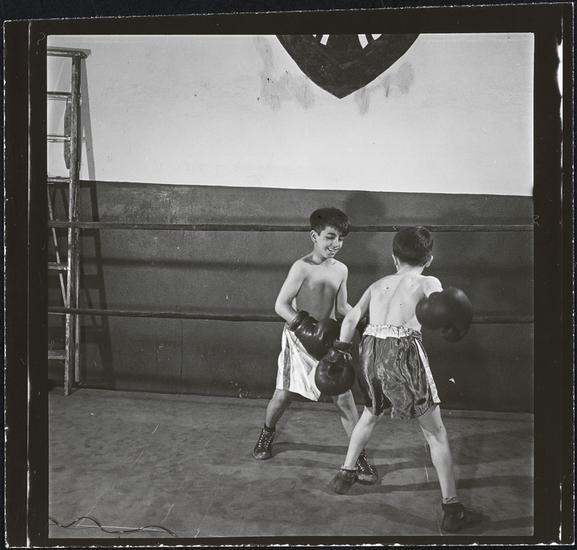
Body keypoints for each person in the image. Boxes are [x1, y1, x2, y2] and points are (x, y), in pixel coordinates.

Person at [323, 226, 481, 533]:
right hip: (403, 353)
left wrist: (340, 350)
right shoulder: (427, 281)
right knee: (436, 433)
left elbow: (352, 317)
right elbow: (441, 306)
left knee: (369, 414)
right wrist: (454, 318)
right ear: (429, 259)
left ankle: (345, 473)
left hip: (369, 349)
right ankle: (452, 509)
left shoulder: (378, 283)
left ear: (394, 258)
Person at [252, 207, 377, 484]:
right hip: (298, 341)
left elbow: (341, 307)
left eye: (341, 239)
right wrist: (303, 326)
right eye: (330, 237)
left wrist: (361, 320)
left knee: (344, 400)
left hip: (328, 341)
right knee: (283, 396)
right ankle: (267, 432)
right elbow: (280, 305)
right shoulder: (302, 267)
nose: (336, 244)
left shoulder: (341, 269)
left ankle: (358, 456)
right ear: (314, 236)